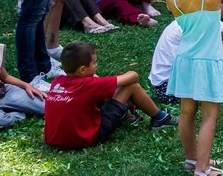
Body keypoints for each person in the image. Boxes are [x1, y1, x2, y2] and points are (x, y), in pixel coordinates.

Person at [165, 0, 223, 176]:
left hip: (184, 61)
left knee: (186, 113)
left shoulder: (171, 0)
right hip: (207, 61)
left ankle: (193, 158)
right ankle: (203, 169)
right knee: (209, 116)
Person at [43, 41, 176, 150]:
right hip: (85, 138)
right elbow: (133, 76)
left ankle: (126, 115)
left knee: (103, 92)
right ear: (82, 70)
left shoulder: (57, 82)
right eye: (94, 62)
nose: (96, 65)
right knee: (131, 86)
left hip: (54, 139)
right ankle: (160, 118)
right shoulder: (89, 84)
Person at [0, 45, 49, 131]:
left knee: (47, 106)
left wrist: (27, 85)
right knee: (4, 121)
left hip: (4, 91)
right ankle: (21, 113)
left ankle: (19, 108)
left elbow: (5, 77)